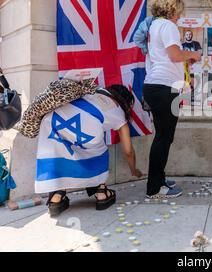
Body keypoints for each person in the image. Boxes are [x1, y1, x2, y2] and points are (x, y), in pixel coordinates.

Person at [35, 85, 143, 217]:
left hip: (52, 120)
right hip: (84, 128)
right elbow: (128, 151)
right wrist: (133, 170)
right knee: (98, 149)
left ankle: (56, 197)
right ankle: (101, 192)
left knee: (59, 152)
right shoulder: (118, 112)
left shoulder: (93, 91)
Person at [143, 0, 201, 199]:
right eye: (179, 12)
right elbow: (175, 55)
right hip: (164, 87)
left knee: (163, 137)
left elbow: (169, 57)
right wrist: (193, 54)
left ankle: (158, 179)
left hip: (157, 86)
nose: (180, 16)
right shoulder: (167, 26)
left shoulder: (155, 26)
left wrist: (185, 59)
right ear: (172, 8)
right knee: (163, 138)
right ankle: (155, 188)